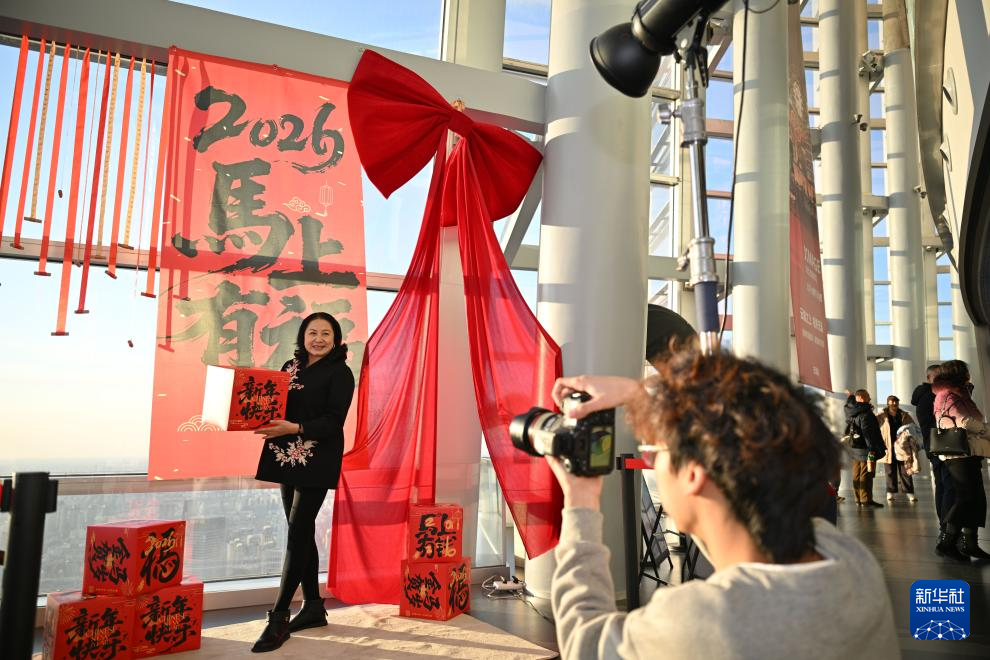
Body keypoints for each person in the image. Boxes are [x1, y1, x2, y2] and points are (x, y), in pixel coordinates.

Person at [547, 346, 898, 660]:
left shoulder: (698, 621)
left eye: (654, 450)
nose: (651, 459)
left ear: (693, 473)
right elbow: (721, 518)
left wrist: (581, 501)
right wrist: (638, 395)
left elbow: (585, 643)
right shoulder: (850, 560)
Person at [251, 312, 356, 652]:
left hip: (317, 457)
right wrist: (256, 416)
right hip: (285, 453)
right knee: (300, 530)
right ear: (303, 336)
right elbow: (276, 404)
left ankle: (279, 617)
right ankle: (312, 606)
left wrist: (294, 428)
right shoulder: (290, 366)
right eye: (313, 333)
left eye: (326, 333)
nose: (319, 339)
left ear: (336, 339)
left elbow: (333, 422)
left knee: (297, 532)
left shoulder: (340, 373)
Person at [932, 359, 990, 560]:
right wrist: (985, 430)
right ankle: (946, 542)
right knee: (965, 496)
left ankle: (970, 542)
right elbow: (963, 420)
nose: (969, 374)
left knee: (976, 498)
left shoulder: (958, 392)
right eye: (966, 370)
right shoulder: (947, 394)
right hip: (958, 454)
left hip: (968, 452)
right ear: (958, 373)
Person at [913, 365, 954, 526]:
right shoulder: (930, 397)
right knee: (947, 485)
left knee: (943, 485)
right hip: (942, 446)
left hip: (936, 445)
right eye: (937, 378)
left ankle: (945, 524)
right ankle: (946, 524)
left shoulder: (925, 396)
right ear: (929, 378)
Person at [844, 389, 886, 507]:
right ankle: (866, 500)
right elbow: (868, 432)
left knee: (857, 473)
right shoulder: (866, 413)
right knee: (866, 473)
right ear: (862, 398)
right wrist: (872, 448)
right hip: (865, 447)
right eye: (868, 396)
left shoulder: (852, 412)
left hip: (854, 446)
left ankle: (858, 498)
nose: (870, 398)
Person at [877, 396, 917, 502]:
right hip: (888, 447)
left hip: (902, 447)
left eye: (896, 402)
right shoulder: (881, 416)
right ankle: (890, 492)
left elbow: (913, 427)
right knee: (890, 471)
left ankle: (909, 493)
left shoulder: (905, 415)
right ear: (888, 404)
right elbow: (875, 428)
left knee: (906, 470)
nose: (894, 404)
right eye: (892, 402)